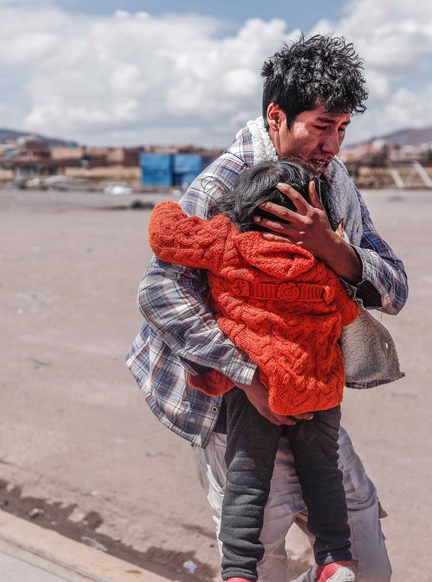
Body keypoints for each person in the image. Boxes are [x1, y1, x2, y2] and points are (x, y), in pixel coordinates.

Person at [127, 33, 408, 581]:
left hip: (309, 398)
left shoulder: (335, 183)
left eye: (343, 130)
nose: (333, 145)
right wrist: (248, 375)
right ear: (277, 117)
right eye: (321, 127)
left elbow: (394, 288)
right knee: (259, 562)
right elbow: (158, 292)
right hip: (234, 408)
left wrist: (333, 249)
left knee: (365, 565)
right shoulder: (225, 183)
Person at [148, 160, 360, 582]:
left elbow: (164, 232)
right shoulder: (320, 265)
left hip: (255, 381)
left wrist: (172, 207)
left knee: (246, 479)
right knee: (323, 473)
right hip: (316, 388)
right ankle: (335, 559)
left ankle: (240, 571)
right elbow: (348, 311)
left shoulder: (227, 243)